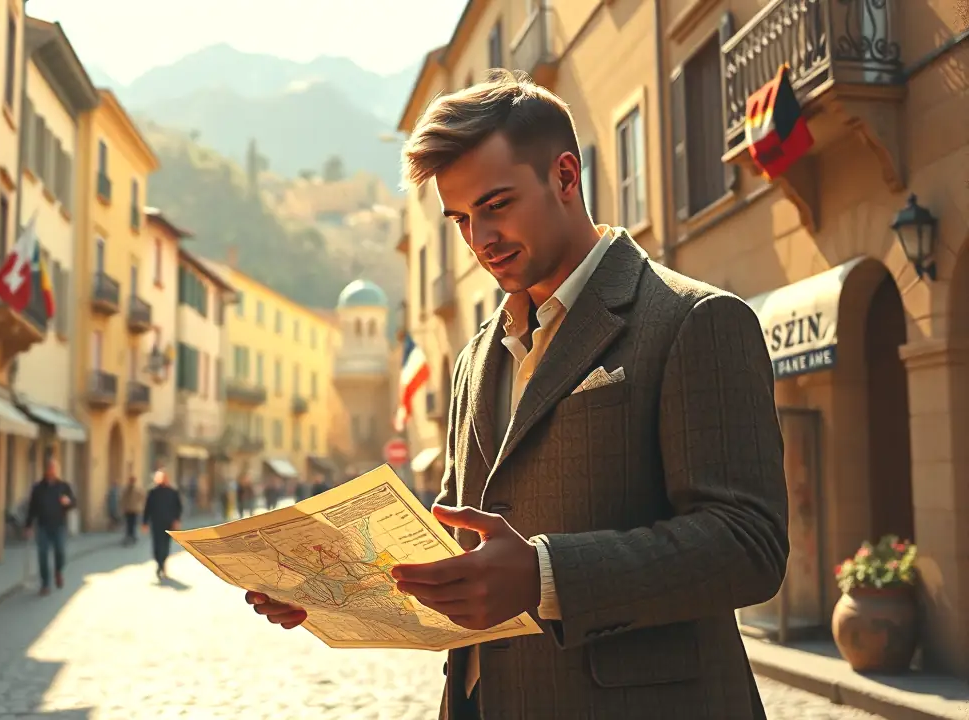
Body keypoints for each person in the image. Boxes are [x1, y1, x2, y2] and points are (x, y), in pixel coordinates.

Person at [244, 70, 789, 719]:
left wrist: (546, 575)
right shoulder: (474, 356)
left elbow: (749, 545)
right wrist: (336, 587)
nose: (479, 240)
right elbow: (461, 547)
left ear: (565, 176)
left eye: (496, 205)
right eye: (461, 219)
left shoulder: (695, 320)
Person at [24, 458, 77, 596]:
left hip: (59, 526)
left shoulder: (64, 486)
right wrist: (28, 525)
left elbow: (74, 503)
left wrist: (68, 502)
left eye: (54, 468)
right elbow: (32, 508)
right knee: (42, 555)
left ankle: (58, 571)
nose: (52, 471)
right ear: (46, 470)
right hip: (42, 527)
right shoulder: (38, 488)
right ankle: (45, 583)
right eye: (50, 468)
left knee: (60, 552)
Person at [143, 468, 183, 578]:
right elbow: (148, 508)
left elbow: (178, 507)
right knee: (156, 545)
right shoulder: (152, 491)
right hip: (156, 523)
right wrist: (145, 522)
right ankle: (159, 563)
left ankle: (162, 563)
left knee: (165, 545)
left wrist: (176, 520)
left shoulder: (173, 492)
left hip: (168, 523)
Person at [119, 476, 144, 546]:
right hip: (128, 509)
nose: (131, 482)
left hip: (134, 509)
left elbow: (142, 497)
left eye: (132, 480)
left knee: (132, 524)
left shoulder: (137, 489)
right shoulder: (126, 489)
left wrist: (139, 504)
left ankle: (132, 536)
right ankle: (129, 536)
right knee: (128, 523)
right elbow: (122, 498)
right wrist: (122, 507)